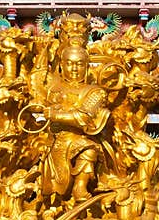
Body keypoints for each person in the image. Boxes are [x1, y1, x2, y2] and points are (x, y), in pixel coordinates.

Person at [40, 37, 111, 205]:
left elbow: (84, 117)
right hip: (54, 140)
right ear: (61, 65)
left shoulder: (95, 92)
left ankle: (81, 186)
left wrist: (56, 115)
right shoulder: (52, 89)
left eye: (79, 64)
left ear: (86, 67)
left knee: (89, 149)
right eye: (69, 63)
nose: (74, 68)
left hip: (79, 138)